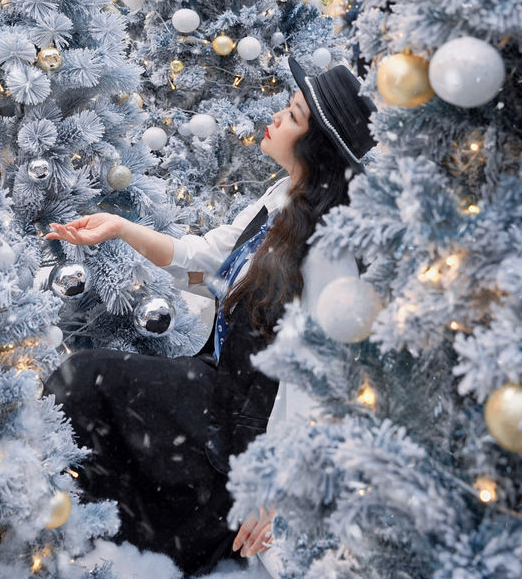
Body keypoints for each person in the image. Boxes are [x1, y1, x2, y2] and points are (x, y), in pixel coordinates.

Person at [43, 57, 376, 576]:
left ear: (316, 147)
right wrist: (121, 229)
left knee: (83, 379)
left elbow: (322, 378)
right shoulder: (283, 198)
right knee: (88, 389)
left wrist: (278, 486)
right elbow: (209, 265)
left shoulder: (329, 249)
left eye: (291, 116)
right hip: (217, 386)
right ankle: (87, 526)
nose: (275, 118)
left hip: (248, 424)